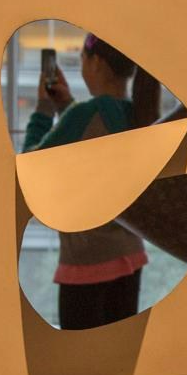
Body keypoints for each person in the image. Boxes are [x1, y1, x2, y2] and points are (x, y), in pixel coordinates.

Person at [22, 35, 153, 330]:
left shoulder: (84, 115)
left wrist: (44, 108)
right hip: (130, 257)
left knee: (81, 368)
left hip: (86, 264)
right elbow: (95, 143)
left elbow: (30, 168)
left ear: (95, 63)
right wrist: (66, 105)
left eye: (82, 60)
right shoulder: (139, 114)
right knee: (116, 360)